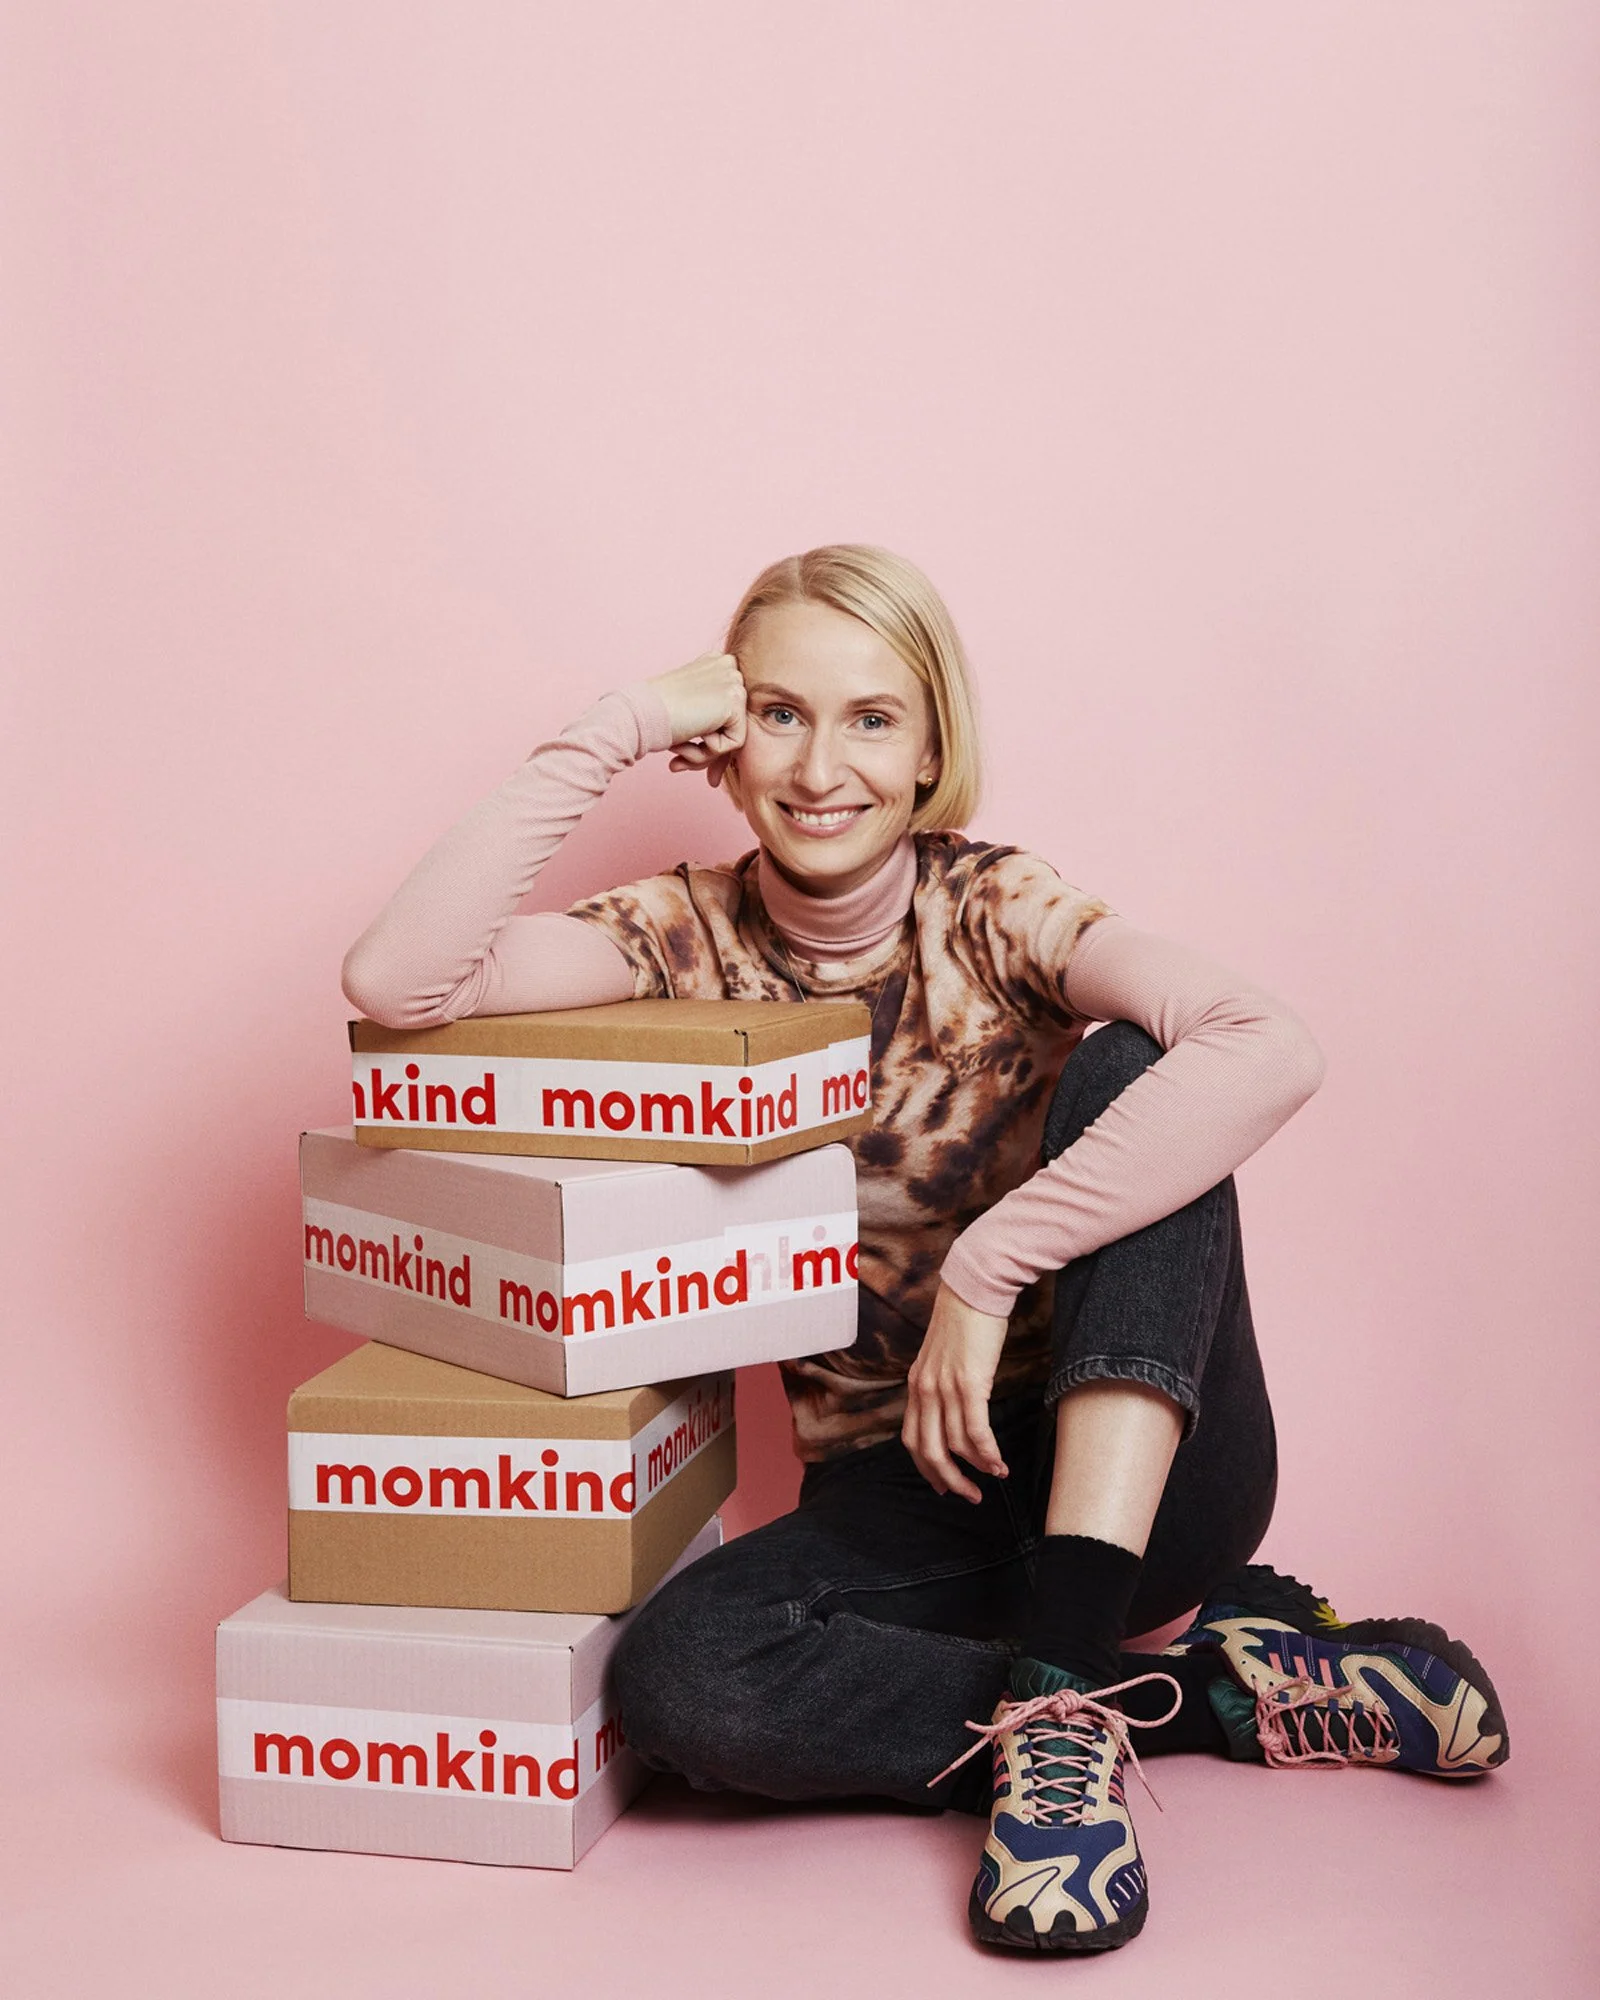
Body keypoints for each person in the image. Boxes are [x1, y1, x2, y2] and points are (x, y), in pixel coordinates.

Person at [342, 543, 1508, 1956]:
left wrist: (992, 1261)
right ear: (723, 739)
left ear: (930, 750)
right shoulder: (681, 936)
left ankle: (1073, 1704)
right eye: (779, 712)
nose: (821, 764)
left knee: (1143, 1067)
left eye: (871, 719)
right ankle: (1183, 1700)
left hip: (1151, 1471)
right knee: (682, 1682)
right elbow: (399, 985)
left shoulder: (997, 908)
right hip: (915, 1506)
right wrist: (620, 723)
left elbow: (1272, 1042)